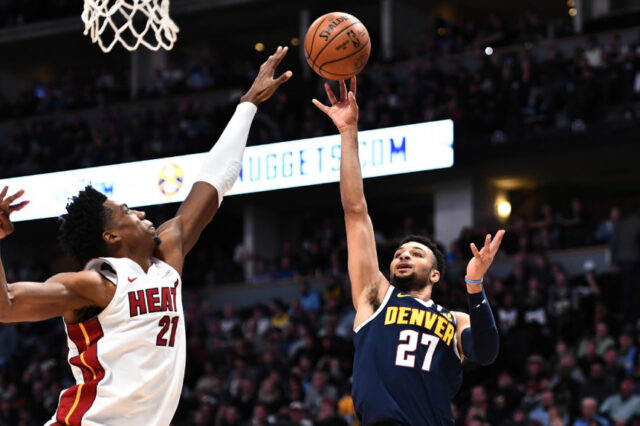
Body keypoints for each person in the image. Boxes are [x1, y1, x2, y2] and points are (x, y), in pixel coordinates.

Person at [0, 46, 292, 426]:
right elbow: (5, 305)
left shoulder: (168, 256)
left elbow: (215, 181)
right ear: (111, 237)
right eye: (126, 212)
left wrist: (248, 105)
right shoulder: (95, 285)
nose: (139, 214)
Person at [312, 78, 501, 424]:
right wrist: (348, 132)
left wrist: (474, 285)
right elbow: (355, 210)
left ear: (435, 273)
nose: (402, 255)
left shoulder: (454, 319)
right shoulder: (374, 297)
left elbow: (486, 353)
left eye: (415, 253)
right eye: (400, 252)